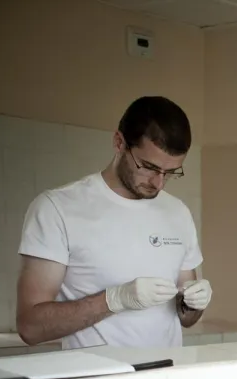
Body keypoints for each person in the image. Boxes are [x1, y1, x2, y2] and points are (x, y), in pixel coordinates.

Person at [16, 96, 211, 349]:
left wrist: (194, 303)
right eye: (149, 167)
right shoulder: (58, 208)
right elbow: (30, 327)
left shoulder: (177, 212)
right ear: (119, 143)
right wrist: (115, 299)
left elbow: (187, 319)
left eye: (171, 172)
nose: (158, 183)